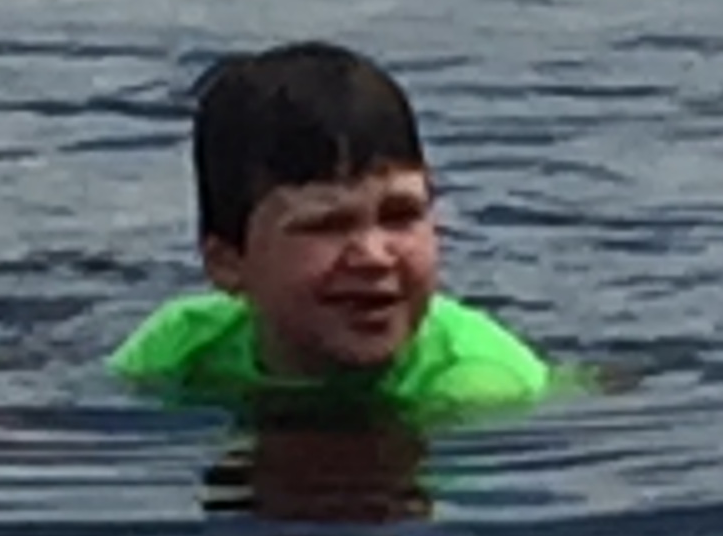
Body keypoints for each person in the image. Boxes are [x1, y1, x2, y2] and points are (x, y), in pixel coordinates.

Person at [109, 42, 554, 423]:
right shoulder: (184, 343)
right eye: (327, 225)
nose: (374, 256)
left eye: (401, 215)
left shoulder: (476, 390)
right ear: (227, 262)